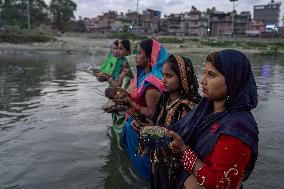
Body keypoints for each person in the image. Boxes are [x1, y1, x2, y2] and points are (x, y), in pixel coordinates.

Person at [167, 49, 259, 189]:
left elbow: (220, 184)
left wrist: (184, 151)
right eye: (204, 72)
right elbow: (178, 131)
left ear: (232, 81)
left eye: (211, 75)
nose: (202, 80)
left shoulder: (238, 128)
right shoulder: (204, 109)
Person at [118, 39, 169, 180]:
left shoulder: (151, 82)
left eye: (139, 53)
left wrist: (130, 103)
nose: (135, 56)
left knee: (144, 171)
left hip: (145, 128)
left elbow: (152, 113)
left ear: (149, 58)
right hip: (137, 126)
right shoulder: (142, 76)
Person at [151, 55, 201, 189]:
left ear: (183, 78)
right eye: (163, 75)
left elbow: (184, 142)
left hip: (178, 171)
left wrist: (151, 133)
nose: (163, 80)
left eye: (169, 76)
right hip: (161, 163)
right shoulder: (164, 101)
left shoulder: (190, 107)